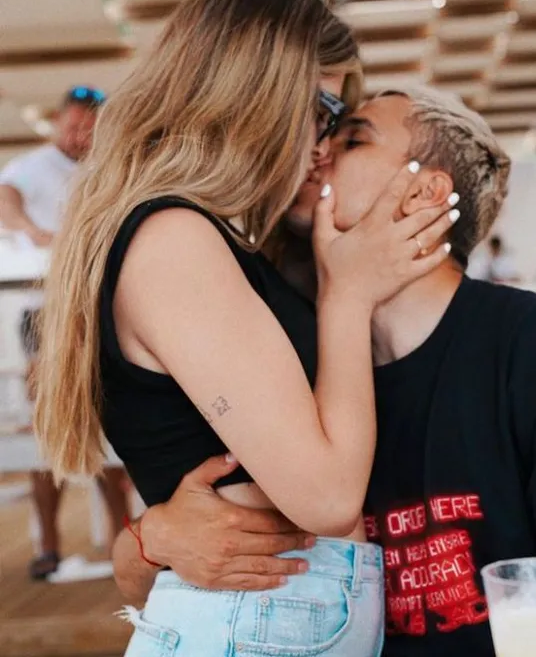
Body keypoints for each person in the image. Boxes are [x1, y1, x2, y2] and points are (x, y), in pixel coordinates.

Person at [34, 0, 455, 657]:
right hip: (259, 619)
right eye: (324, 113)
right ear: (262, 92)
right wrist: (347, 294)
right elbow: (326, 496)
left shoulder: (207, 238)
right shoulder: (173, 239)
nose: (321, 147)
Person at [110, 85, 534, 657]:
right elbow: (143, 577)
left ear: (425, 193)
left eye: (353, 141)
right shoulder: (294, 361)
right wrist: (152, 538)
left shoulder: (521, 343)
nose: (318, 151)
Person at [0, 86, 129, 580]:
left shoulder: (105, 168)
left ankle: (123, 541)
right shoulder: (30, 167)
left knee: (110, 422)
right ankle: (48, 546)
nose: (81, 136)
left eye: (89, 129)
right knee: (47, 427)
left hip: (95, 309)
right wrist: (31, 230)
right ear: (58, 121)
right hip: (44, 311)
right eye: (74, 126)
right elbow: (7, 197)